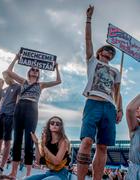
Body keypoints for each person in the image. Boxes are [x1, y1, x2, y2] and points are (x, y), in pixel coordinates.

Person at [77, 5, 123, 180]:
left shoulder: (116, 72)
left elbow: (118, 92)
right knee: (87, 141)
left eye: (112, 52)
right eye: (107, 50)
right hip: (93, 102)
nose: (110, 52)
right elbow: (88, 40)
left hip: (109, 106)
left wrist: (119, 109)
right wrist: (88, 19)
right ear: (100, 52)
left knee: (103, 146)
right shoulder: (92, 62)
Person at [3, 53, 61, 178]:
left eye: (37, 70)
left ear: (38, 74)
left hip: (32, 109)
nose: (35, 71)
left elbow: (58, 81)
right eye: (33, 69)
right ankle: (13, 172)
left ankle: (28, 174)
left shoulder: (41, 85)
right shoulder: (23, 82)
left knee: (29, 140)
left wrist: (56, 67)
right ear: (29, 72)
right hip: (20, 108)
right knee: (17, 140)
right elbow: (9, 71)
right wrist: (16, 58)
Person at [125, 94, 140, 180]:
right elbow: (130, 109)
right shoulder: (135, 127)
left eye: (139, 107)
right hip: (134, 174)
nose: (137, 108)